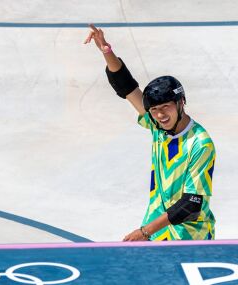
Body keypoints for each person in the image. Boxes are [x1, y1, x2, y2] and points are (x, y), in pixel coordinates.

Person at [84, 24, 216, 241]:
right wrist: (107, 51)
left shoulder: (200, 143)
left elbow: (191, 204)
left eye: (166, 107)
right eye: (154, 110)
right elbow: (126, 87)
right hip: (158, 233)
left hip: (191, 238)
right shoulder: (159, 128)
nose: (160, 115)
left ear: (181, 102)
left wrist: (145, 232)